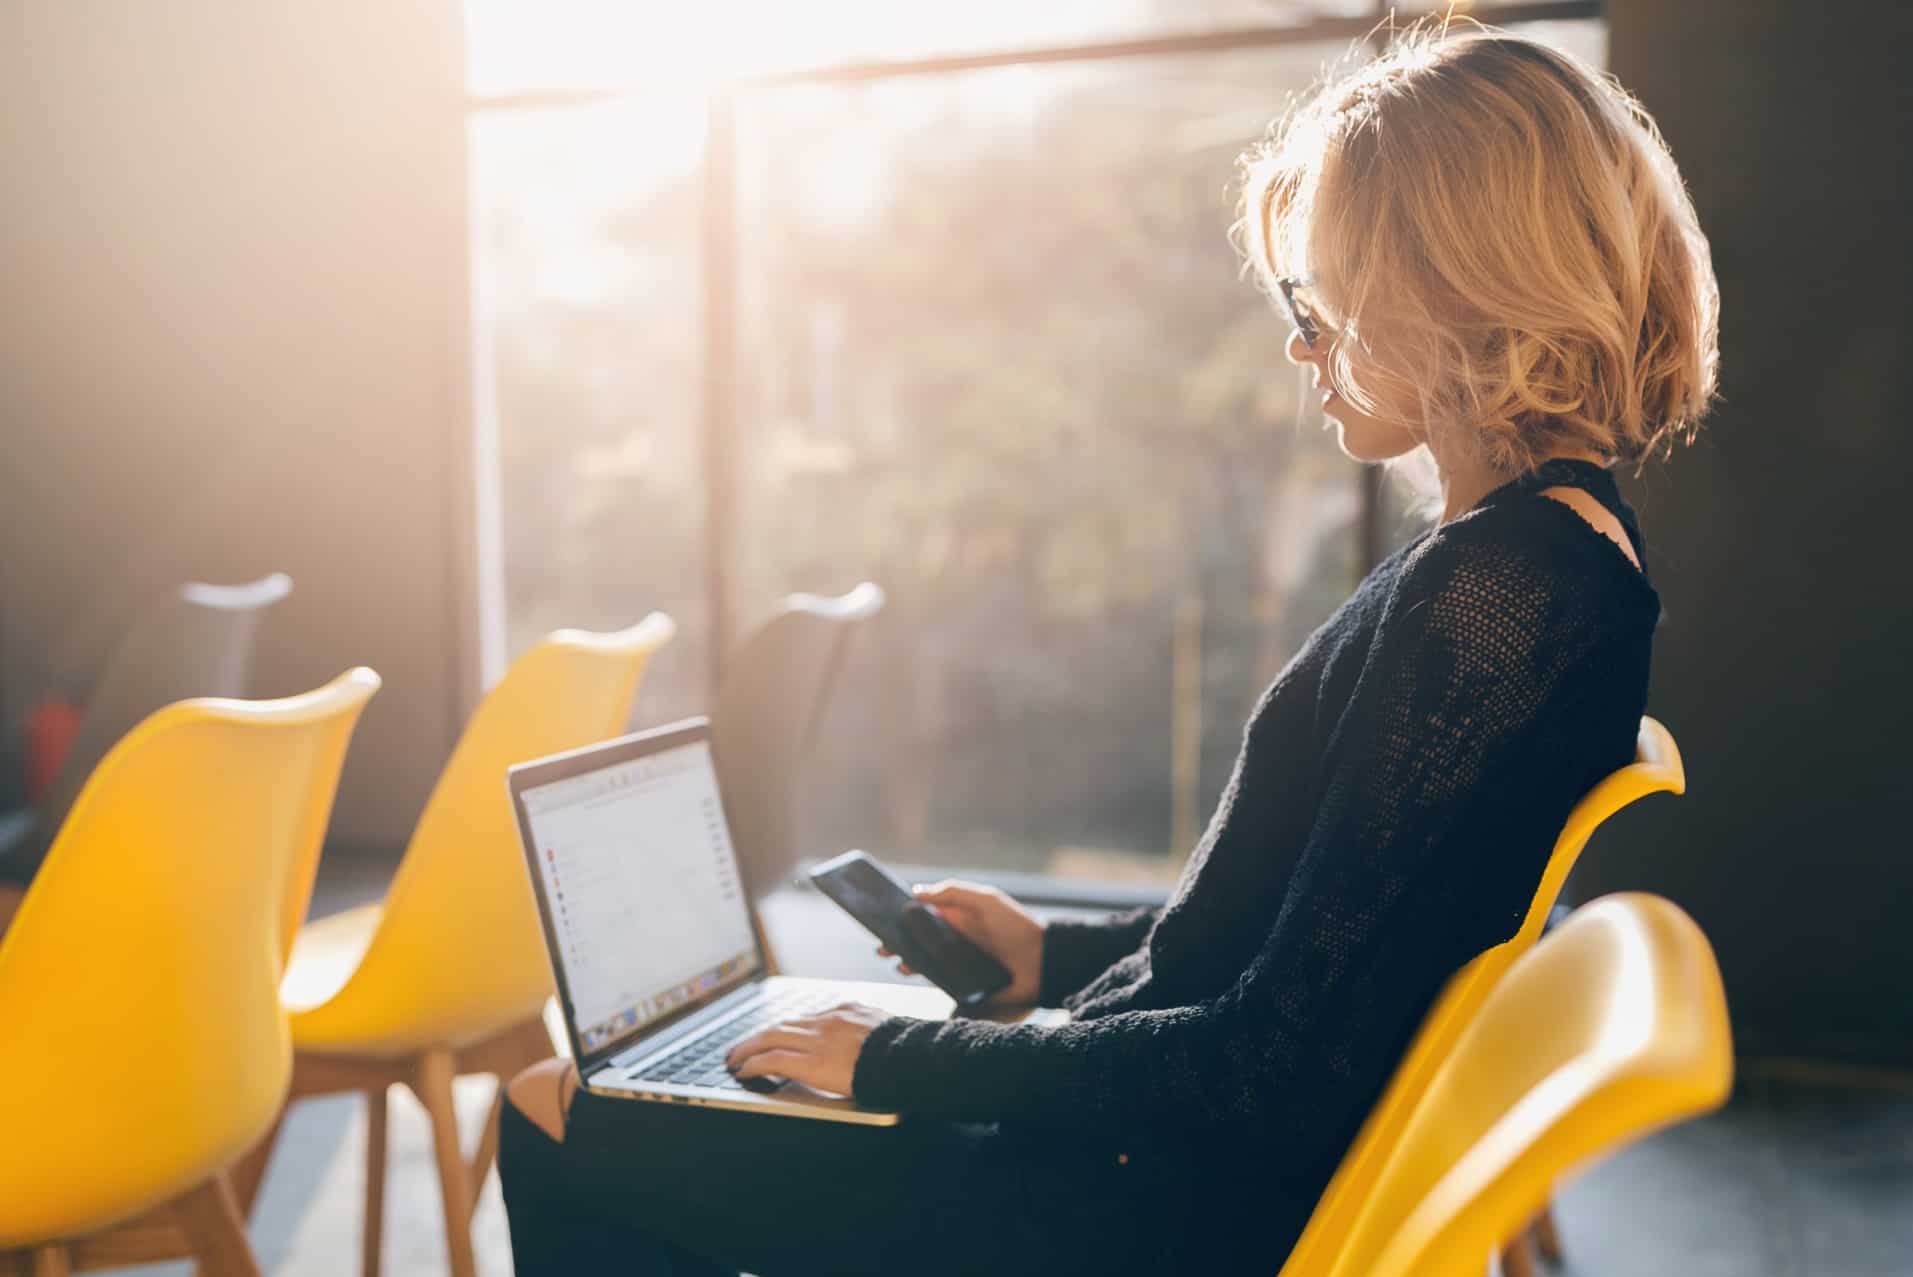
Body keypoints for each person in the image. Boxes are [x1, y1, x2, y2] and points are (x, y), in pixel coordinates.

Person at [497, 22, 1719, 1276]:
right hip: (1162, 1158)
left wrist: (893, 1053)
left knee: (552, 1104)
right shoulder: (1554, 557)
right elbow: (1326, 935)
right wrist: (1052, 953)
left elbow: (1261, 1061)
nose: (1304, 344)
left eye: (1327, 301)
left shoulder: (1494, 597)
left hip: (1138, 1202)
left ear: (1449, 286)